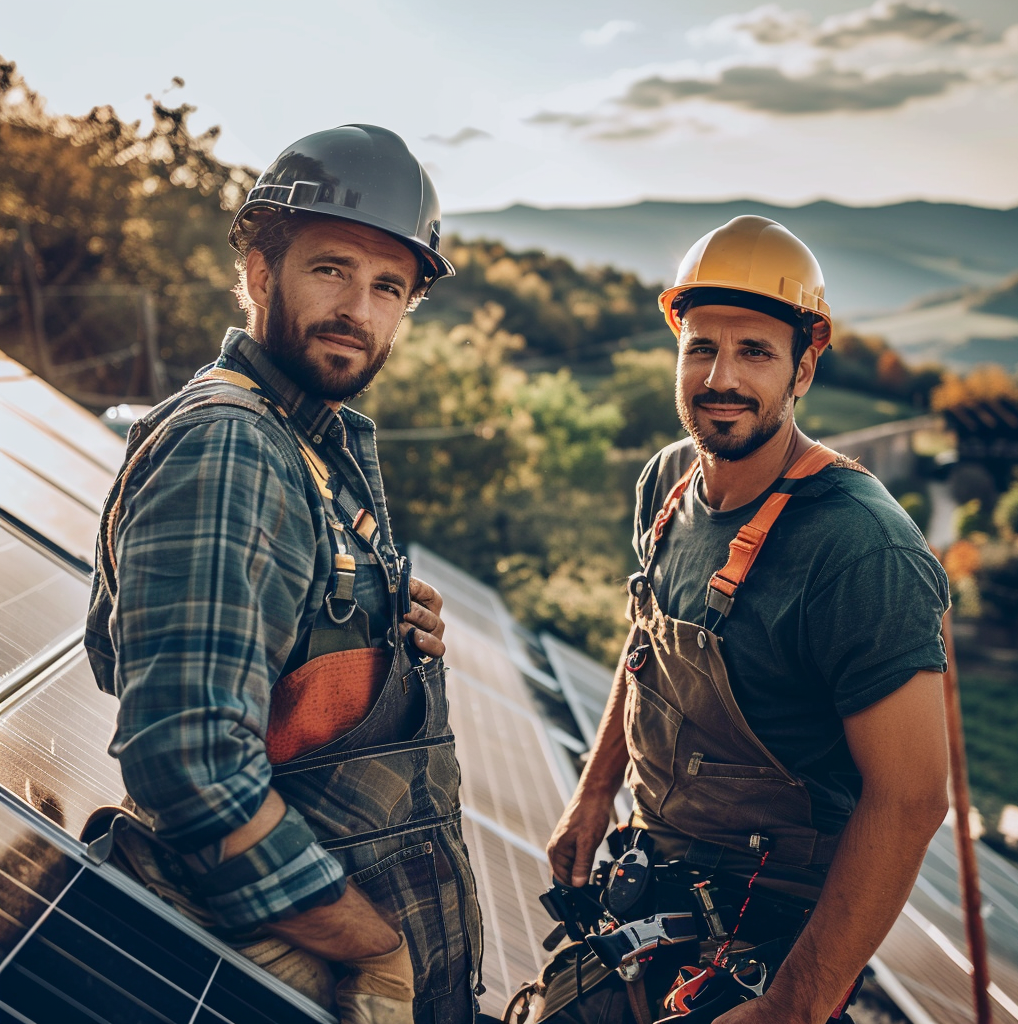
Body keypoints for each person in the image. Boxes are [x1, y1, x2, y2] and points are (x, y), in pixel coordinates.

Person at [85, 125, 486, 1024]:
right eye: (331, 269)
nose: (359, 308)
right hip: (270, 979)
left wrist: (381, 634)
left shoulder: (306, 441)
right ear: (262, 270)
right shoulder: (234, 447)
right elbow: (188, 762)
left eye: (390, 287)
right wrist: (372, 944)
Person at [538, 216, 950, 1023]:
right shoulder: (668, 484)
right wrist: (595, 792)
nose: (720, 377)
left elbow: (910, 800)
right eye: (701, 347)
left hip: (774, 934)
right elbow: (648, 639)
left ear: (805, 365)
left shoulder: (859, 548)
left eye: (755, 351)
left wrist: (793, 1006)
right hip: (651, 872)